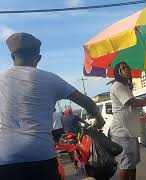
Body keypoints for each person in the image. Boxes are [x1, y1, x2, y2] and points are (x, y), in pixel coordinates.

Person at [0, 32, 105, 180]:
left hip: (4, 159)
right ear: (38, 58)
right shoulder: (50, 79)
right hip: (41, 156)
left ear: (12, 57)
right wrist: (99, 119)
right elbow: (88, 103)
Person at [110, 62, 146, 180]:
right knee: (126, 165)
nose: (126, 69)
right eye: (123, 68)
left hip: (130, 132)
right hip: (122, 133)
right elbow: (132, 102)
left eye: (127, 67)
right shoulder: (117, 85)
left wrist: (141, 118)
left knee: (132, 165)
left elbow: (131, 107)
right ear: (117, 72)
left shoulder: (125, 87)